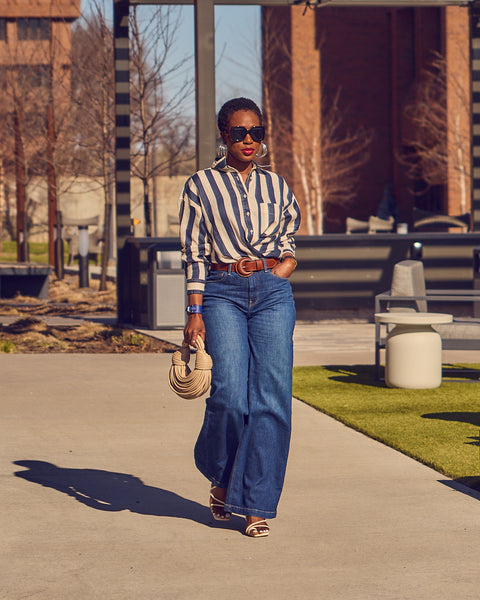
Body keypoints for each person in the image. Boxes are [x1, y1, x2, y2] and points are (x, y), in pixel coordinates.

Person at [179, 97, 301, 538]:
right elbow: (193, 252)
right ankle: (220, 473)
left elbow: (289, 232)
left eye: (255, 132)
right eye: (238, 133)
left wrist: (284, 264)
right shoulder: (200, 185)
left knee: (271, 398)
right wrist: (194, 311)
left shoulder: (278, 185)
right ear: (223, 136)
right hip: (222, 290)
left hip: (271, 292)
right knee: (230, 395)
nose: (248, 140)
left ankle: (255, 503)